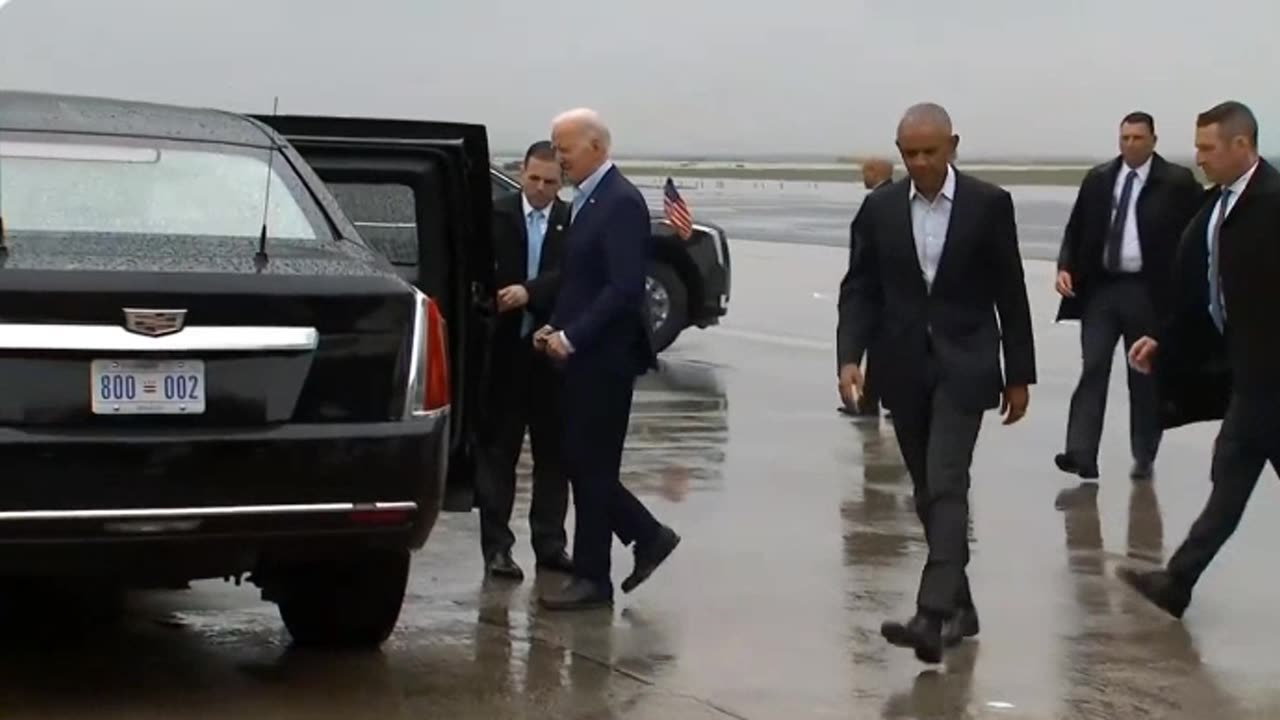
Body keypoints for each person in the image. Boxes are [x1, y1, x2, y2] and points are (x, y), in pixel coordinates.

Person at [836, 102, 1036, 663]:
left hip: (967, 361)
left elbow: (1011, 291)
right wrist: (849, 356)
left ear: (953, 145)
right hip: (901, 367)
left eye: (930, 151)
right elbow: (860, 289)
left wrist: (1019, 374)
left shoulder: (988, 205)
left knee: (947, 480)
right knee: (927, 490)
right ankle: (962, 607)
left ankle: (931, 613)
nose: (920, 162)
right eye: (910, 153)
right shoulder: (879, 210)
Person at [1121, 101, 1280, 619]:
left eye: (1208, 148)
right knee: (1231, 477)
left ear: (1242, 145)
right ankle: (1176, 581)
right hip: (1250, 374)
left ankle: (1177, 580)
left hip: (1270, 378)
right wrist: (1164, 339)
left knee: (1231, 470)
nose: (1199, 157)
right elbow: (1203, 288)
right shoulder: (1218, 206)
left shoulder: (1273, 203)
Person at [534, 107, 681, 611]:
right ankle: (642, 538)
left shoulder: (620, 202)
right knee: (582, 463)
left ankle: (598, 575)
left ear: (596, 146)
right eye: (555, 148)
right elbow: (582, 281)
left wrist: (572, 337)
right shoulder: (586, 200)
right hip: (580, 355)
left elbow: (622, 288)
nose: (559, 159)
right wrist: (555, 323)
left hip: (604, 360)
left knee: (590, 465)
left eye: (565, 149)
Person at [1053, 112, 1203, 482]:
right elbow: (1077, 228)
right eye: (1125, 138)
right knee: (1093, 367)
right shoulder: (1100, 179)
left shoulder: (1177, 182)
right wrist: (1065, 266)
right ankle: (1081, 453)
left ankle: (1144, 452)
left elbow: (1197, 234)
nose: (1130, 144)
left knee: (1144, 376)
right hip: (1102, 289)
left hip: (1148, 292)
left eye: (1138, 138)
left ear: (1153, 139)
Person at [474, 140, 574, 581]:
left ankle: (550, 544)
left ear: (560, 183)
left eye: (549, 182)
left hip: (550, 352)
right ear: (522, 174)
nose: (539, 188)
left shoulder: (570, 223)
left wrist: (532, 293)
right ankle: (497, 549)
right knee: (501, 454)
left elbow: (573, 277)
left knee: (554, 456)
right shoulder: (496, 215)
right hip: (506, 352)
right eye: (533, 179)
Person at [838, 157, 895, 420]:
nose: (863, 177)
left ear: (875, 172)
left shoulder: (879, 204)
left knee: (882, 349)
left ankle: (875, 403)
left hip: (881, 294)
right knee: (880, 352)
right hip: (880, 294)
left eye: (865, 172)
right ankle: (873, 401)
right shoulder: (888, 200)